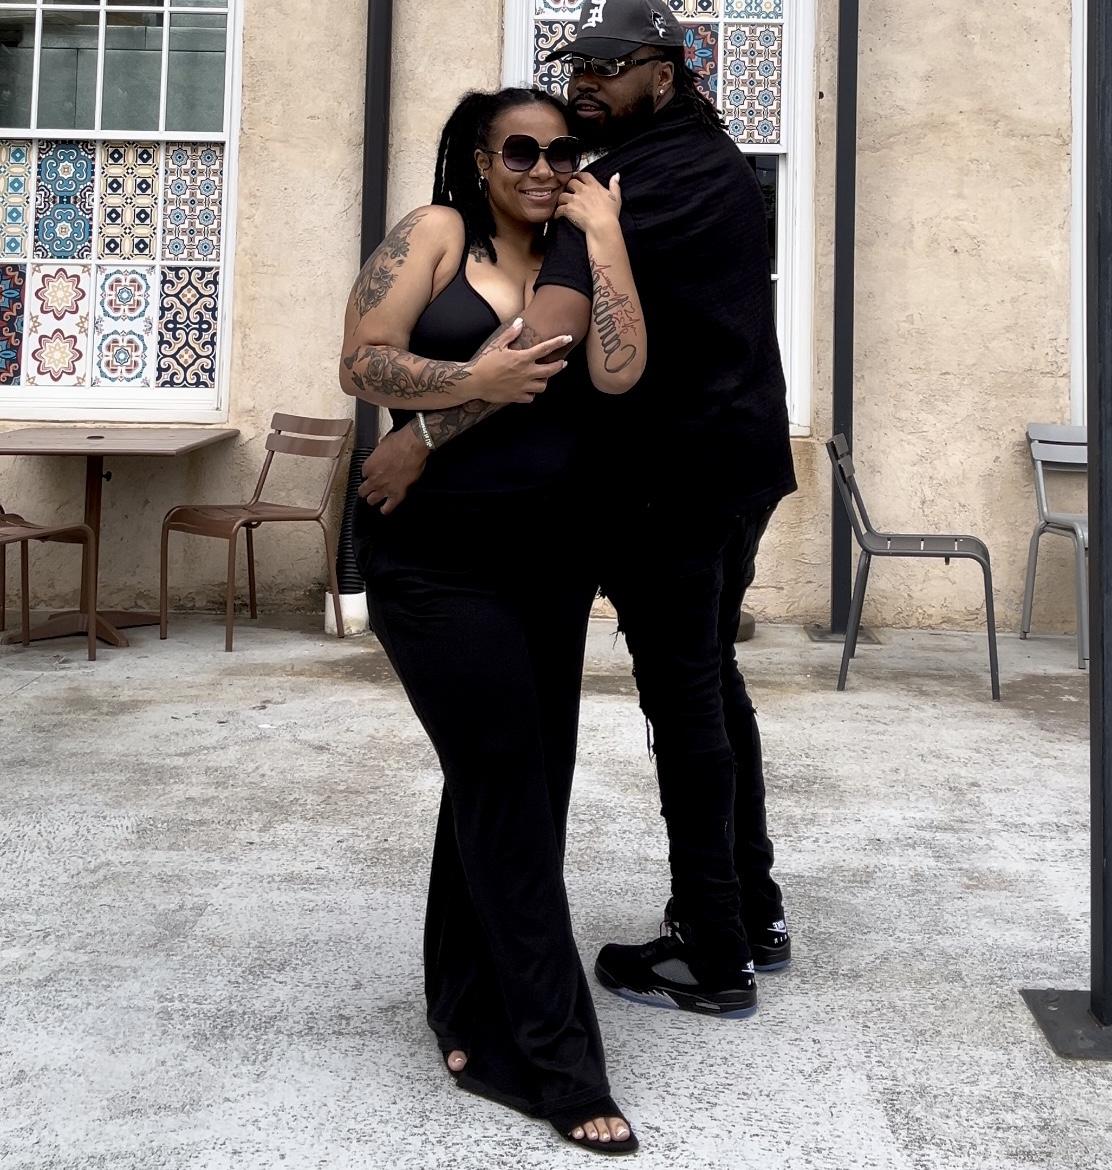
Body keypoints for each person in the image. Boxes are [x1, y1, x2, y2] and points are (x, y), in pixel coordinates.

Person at [359, 0, 796, 1022]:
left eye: (611, 65)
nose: (587, 81)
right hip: (731, 465)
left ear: (666, 72)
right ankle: (751, 908)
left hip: (676, 482)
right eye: (578, 64)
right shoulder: (700, 160)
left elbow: (549, 338)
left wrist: (418, 436)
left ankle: (714, 949)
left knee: (685, 697)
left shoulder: (634, 185)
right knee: (711, 684)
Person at [338, 87, 645, 1155]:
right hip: (433, 560)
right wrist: (463, 385)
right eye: (520, 149)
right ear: (480, 158)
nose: (543, 167)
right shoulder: (435, 233)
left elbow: (612, 370)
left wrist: (606, 234)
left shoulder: (573, 252)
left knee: (512, 782)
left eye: (563, 151)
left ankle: (463, 1005)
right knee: (507, 781)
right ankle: (557, 1059)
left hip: (551, 561)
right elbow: (361, 358)